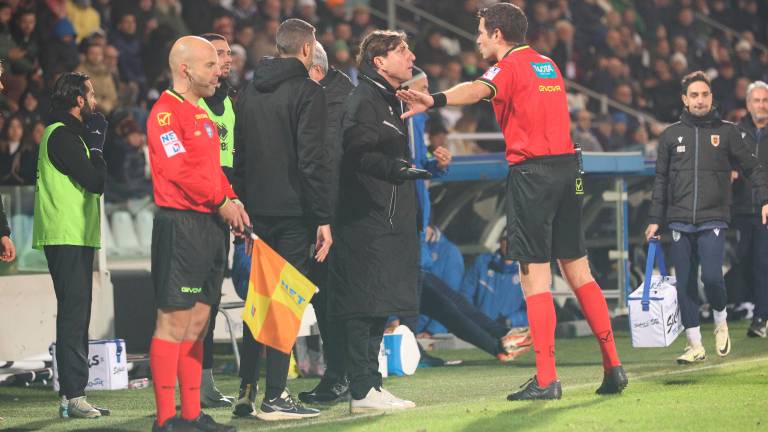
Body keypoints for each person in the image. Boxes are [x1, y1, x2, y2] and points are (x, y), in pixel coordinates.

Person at [397, 3, 626, 400]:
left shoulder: (509, 66)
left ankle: (547, 378)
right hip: (568, 171)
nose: (479, 38)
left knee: (534, 278)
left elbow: (477, 89)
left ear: (499, 34)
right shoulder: (547, 64)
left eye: (483, 31)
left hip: (533, 175)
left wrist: (432, 100)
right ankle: (613, 366)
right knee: (579, 272)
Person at [146, 35, 247, 432]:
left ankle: (191, 415)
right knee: (172, 324)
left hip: (209, 225)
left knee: (198, 324)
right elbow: (178, 171)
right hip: (181, 226)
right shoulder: (166, 114)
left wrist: (233, 199)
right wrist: (221, 201)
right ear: (185, 68)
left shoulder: (203, 112)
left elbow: (212, 170)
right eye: (210, 64)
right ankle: (165, 419)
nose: (219, 71)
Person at [231, 18, 331, 421]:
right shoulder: (309, 92)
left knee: (258, 299)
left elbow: (238, 155)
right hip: (293, 213)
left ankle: (246, 388)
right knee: (285, 302)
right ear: (307, 50)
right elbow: (312, 161)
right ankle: (276, 395)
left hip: (256, 212)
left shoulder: (249, 92)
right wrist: (323, 216)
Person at [328, 30, 429, 414]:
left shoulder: (388, 99)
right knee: (363, 304)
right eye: (402, 51)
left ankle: (371, 385)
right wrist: (396, 169)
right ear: (379, 62)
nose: (411, 55)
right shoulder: (363, 100)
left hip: (385, 217)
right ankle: (361, 390)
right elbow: (355, 153)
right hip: (365, 218)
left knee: (378, 304)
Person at [645, 71, 768, 363]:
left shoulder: (728, 132)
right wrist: (654, 219)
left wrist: (765, 199)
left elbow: (754, 168)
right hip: (678, 219)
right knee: (685, 282)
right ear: (685, 100)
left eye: (705, 94)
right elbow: (660, 180)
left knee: (712, 277)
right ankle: (694, 344)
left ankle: (721, 319)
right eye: (694, 95)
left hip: (714, 217)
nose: (700, 100)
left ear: (711, 97)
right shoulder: (670, 135)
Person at [31, 72, 109, 418]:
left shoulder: (66, 134)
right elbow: (95, 182)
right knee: (74, 316)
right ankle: (74, 395)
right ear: (78, 100)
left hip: (73, 235)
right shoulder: (62, 136)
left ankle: (73, 396)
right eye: (90, 95)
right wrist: (96, 149)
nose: (94, 101)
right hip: (65, 235)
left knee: (77, 315)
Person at [298, 41, 354, 406]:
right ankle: (343, 375)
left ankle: (342, 377)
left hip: (334, 218)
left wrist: (324, 218)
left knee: (334, 298)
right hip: (326, 214)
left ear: (313, 69)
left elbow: (327, 164)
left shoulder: (334, 101)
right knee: (325, 297)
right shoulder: (336, 94)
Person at [197, 32, 237, 409]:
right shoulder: (193, 104)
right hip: (197, 213)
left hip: (224, 211)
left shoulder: (232, 102)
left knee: (211, 300)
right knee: (193, 304)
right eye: (218, 54)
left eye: (227, 53)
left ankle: (205, 384)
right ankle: (193, 385)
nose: (227, 59)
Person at [732, 80, 768, 338]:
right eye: (757, 100)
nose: (762, 105)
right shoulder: (736, 132)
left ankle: (760, 317)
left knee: (762, 261)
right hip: (742, 208)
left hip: (766, 207)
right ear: (748, 104)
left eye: (765, 100)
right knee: (744, 259)